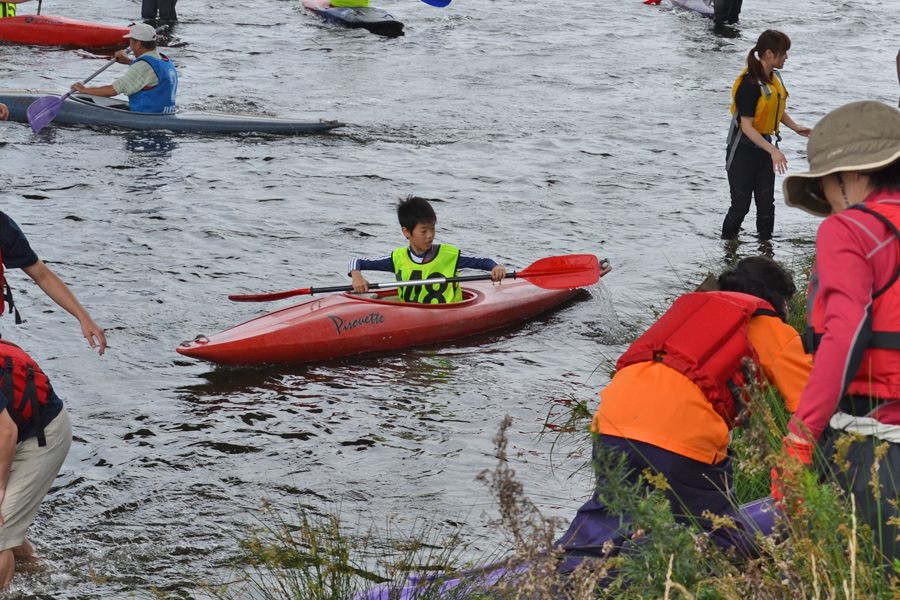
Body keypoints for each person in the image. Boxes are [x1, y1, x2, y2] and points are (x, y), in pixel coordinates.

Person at [554, 257, 812, 569]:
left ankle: (565, 574)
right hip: (683, 435)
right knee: (717, 534)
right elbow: (812, 405)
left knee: (607, 515)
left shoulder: (691, 309)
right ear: (778, 301)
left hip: (612, 423)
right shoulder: (769, 325)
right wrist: (796, 476)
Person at [781, 100, 900, 565]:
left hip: (875, 451)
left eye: (824, 185)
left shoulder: (847, 231)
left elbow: (845, 334)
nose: (827, 200)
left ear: (849, 177)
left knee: (864, 577)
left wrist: (800, 436)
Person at [0, 211, 105, 589]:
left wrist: (83, 316)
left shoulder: (1, 226)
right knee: (5, 522)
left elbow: (40, 273)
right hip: (17, 415)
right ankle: (48, 577)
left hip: (31, 426)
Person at [722, 30, 811, 241]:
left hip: (764, 152)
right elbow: (747, 126)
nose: (786, 58)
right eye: (783, 53)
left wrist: (796, 127)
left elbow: (774, 109)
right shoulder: (749, 84)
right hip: (743, 152)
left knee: (766, 206)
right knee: (740, 207)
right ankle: (727, 248)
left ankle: (766, 250)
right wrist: (773, 151)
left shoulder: (772, 78)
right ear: (769, 53)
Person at [349, 196, 506, 304]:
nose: (430, 236)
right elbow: (356, 262)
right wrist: (356, 276)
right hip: (412, 315)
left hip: (448, 312)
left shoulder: (449, 255)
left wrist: (496, 267)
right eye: (424, 231)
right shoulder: (397, 258)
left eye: (433, 229)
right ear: (406, 232)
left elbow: (484, 262)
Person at [72, 23, 178, 115]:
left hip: (146, 116)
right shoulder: (163, 59)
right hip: (164, 113)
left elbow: (113, 90)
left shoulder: (142, 67)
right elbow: (148, 72)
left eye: (130, 41)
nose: (129, 44)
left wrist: (84, 90)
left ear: (138, 44)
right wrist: (128, 61)